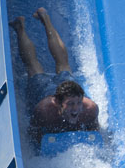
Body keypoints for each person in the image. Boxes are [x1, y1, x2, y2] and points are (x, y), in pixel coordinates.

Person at [10, 8, 99, 144]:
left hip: (66, 85)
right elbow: (34, 135)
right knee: (33, 66)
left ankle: (45, 18)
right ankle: (19, 27)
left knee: (63, 64)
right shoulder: (44, 110)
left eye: (78, 103)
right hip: (44, 90)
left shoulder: (90, 110)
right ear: (57, 103)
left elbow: (95, 134)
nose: (76, 109)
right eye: (70, 104)